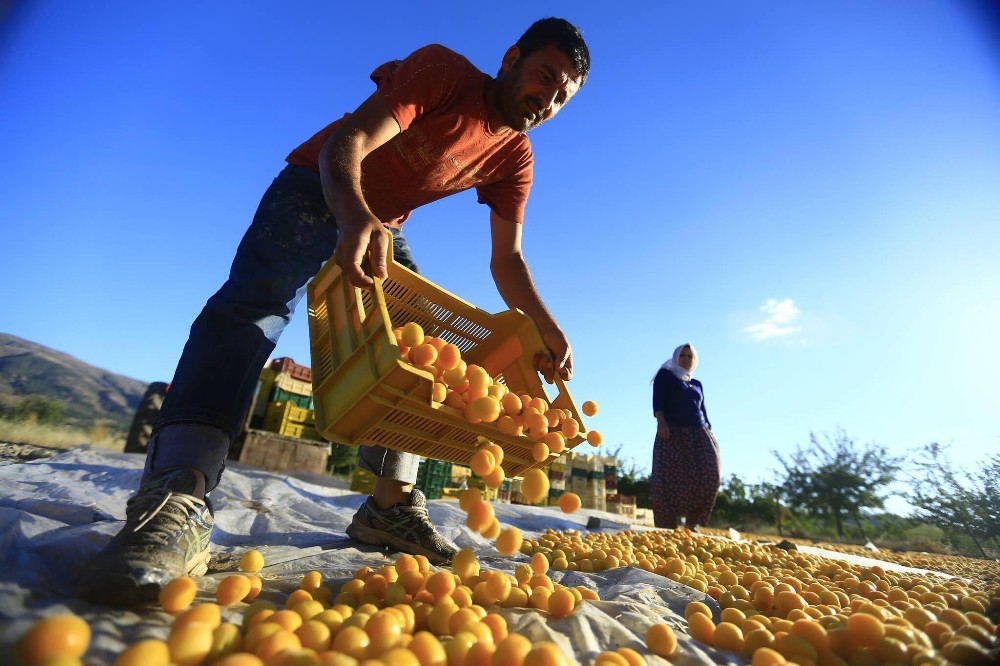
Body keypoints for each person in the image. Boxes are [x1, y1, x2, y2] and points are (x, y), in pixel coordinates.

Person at [79, 18, 590, 605]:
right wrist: (351, 215)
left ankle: (389, 507)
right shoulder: (444, 72)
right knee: (252, 311)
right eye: (544, 75)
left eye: (563, 94)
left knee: (417, 349)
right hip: (318, 186)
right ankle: (181, 489)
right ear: (512, 57)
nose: (548, 97)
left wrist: (546, 328)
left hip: (383, 224)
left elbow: (508, 260)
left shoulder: (515, 156)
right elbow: (346, 142)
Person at [650, 343, 721, 530]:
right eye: (683, 355)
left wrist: (710, 431)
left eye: (690, 356)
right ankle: (667, 526)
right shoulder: (665, 375)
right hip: (672, 432)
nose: (686, 359)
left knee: (710, 474)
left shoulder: (697, 384)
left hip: (700, 433)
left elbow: (702, 411)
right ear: (676, 357)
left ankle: (692, 523)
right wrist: (661, 422)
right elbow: (658, 400)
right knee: (669, 479)